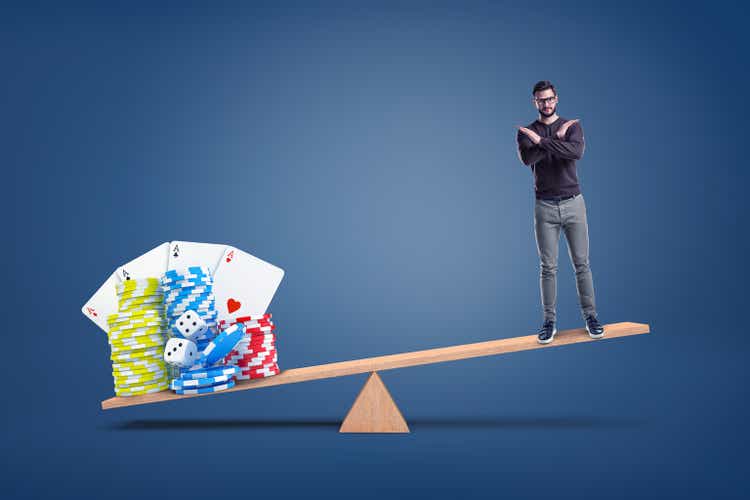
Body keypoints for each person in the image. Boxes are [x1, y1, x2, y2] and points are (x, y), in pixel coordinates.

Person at [516, 80, 604, 344]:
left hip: (573, 203)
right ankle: (549, 321)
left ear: (557, 99)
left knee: (582, 264)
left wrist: (542, 141)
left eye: (550, 99)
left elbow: (575, 152)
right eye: (541, 100)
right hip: (545, 206)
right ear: (535, 102)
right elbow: (528, 159)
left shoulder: (572, 126)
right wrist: (555, 140)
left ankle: (591, 316)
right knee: (548, 267)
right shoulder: (525, 132)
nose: (547, 104)